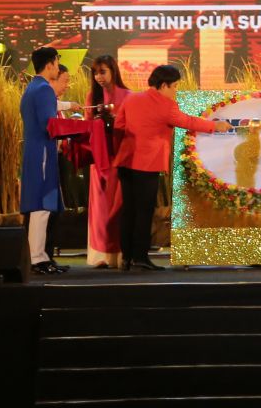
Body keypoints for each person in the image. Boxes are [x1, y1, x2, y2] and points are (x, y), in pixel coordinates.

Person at [113, 64, 228, 271]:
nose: (175, 91)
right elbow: (188, 121)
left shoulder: (131, 99)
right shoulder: (166, 105)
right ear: (164, 85)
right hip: (147, 164)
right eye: (174, 86)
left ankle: (126, 258)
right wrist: (215, 126)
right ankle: (140, 258)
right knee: (144, 212)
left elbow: (119, 126)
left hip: (126, 161)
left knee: (129, 210)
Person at [20, 46, 66, 276]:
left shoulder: (32, 88)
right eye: (57, 63)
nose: (58, 67)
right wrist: (78, 129)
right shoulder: (45, 89)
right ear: (49, 64)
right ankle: (37, 258)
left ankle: (40, 256)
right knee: (42, 206)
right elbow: (50, 124)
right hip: (43, 153)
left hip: (33, 151)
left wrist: (68, 106)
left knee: (39, 206)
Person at [84, 55, 130, 269]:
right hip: (99, 160)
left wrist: (114, 123)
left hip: (121, 158)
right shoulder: (91, 97)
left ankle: (120, 255)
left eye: (102, 72)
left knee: (118, 207)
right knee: (100, 209)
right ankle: (100, 255)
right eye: (95, 72)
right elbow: (87, 127)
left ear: (113, 71)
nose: (98, 77)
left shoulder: (128, 96)